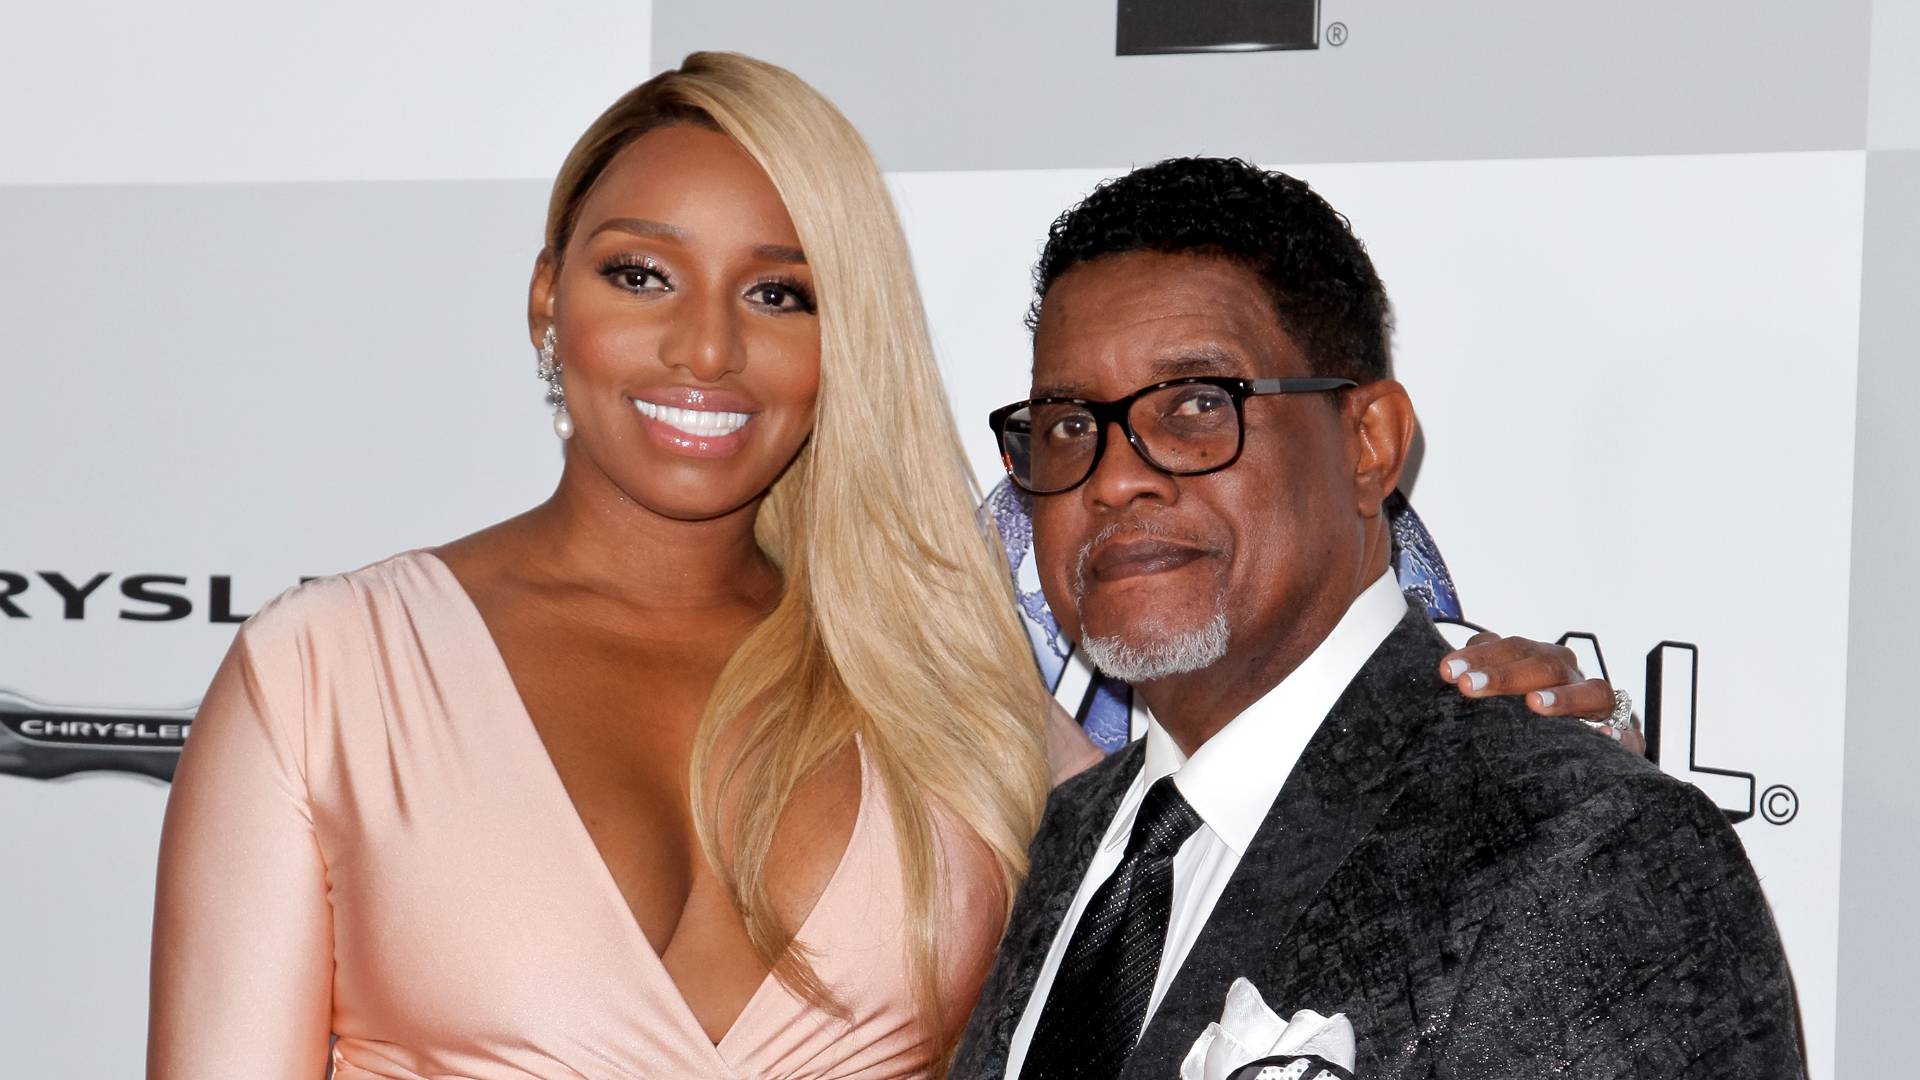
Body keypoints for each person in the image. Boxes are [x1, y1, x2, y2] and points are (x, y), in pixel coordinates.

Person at [148, 55, 1618, 1080]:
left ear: (842, 337)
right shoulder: (327, 674)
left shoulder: (945, 687)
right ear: (549, 302)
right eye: (639, 273)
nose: (706, 349)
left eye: (780, 292)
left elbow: (1266, 858)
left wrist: (1490, 741)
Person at [952, 158, 1802, 1079]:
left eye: (1199, 404)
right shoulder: (1047, 851)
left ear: (1369, 446)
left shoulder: (1584, 850)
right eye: (1069, 425)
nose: (1116, 477)